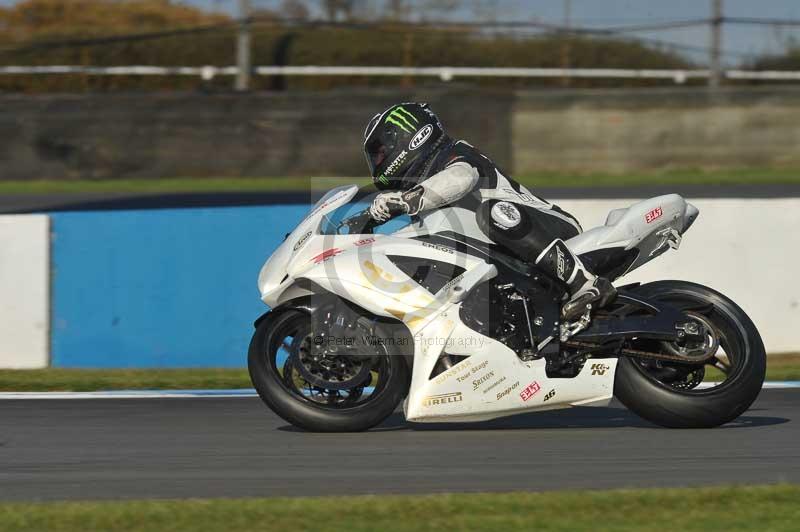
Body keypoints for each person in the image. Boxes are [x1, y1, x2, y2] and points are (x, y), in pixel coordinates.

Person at [363, 102, 615, 319]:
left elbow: (461, 178)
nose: (378, 162)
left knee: (492, 212)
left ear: (409, 135)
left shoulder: (451, 153)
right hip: (515, 252)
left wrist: (407, 200)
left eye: (381, 152)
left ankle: (585, 283)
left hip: (550, 228)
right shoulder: (422, 191)